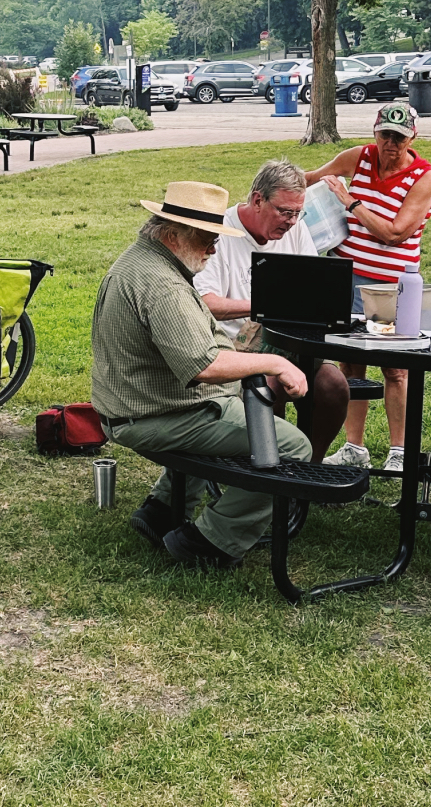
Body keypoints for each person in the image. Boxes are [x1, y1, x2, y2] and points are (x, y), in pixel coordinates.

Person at [92, 180, 314, 569]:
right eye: (207, 239)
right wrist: (276, 363)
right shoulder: (163, 286)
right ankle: (211, 540)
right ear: (173, 234)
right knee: (292, 446)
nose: (213, 249)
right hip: (149, 416)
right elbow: (204, 366)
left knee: (224, 403)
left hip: (131, 406)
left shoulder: (141, 259)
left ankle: (162, 509)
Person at [306, 103, 431, 472]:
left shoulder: (423, 176)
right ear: (375, 133)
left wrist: (351, 202)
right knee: (351, 363)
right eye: (385, 135)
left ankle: (399, 452)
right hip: (345, 277)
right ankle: (354, 447)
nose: (390, 143)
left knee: (395, 369)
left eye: (399, 137)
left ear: (413, 137)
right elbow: (313, 178)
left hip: (391, 286)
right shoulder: (359, 157)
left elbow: (395, 234)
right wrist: (273, 186)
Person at [193, 158, 350, 461]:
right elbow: (206, 302)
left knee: (334, 386)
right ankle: (270, 467)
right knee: (270, 385)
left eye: (297, 213)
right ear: (257, 200)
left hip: (288, 336)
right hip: (235, 343)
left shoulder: (295, 228)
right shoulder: (221, 232)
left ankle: (309, 466)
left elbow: (311, 283)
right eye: (284, 212)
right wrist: (267, 306)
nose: (291, 221)